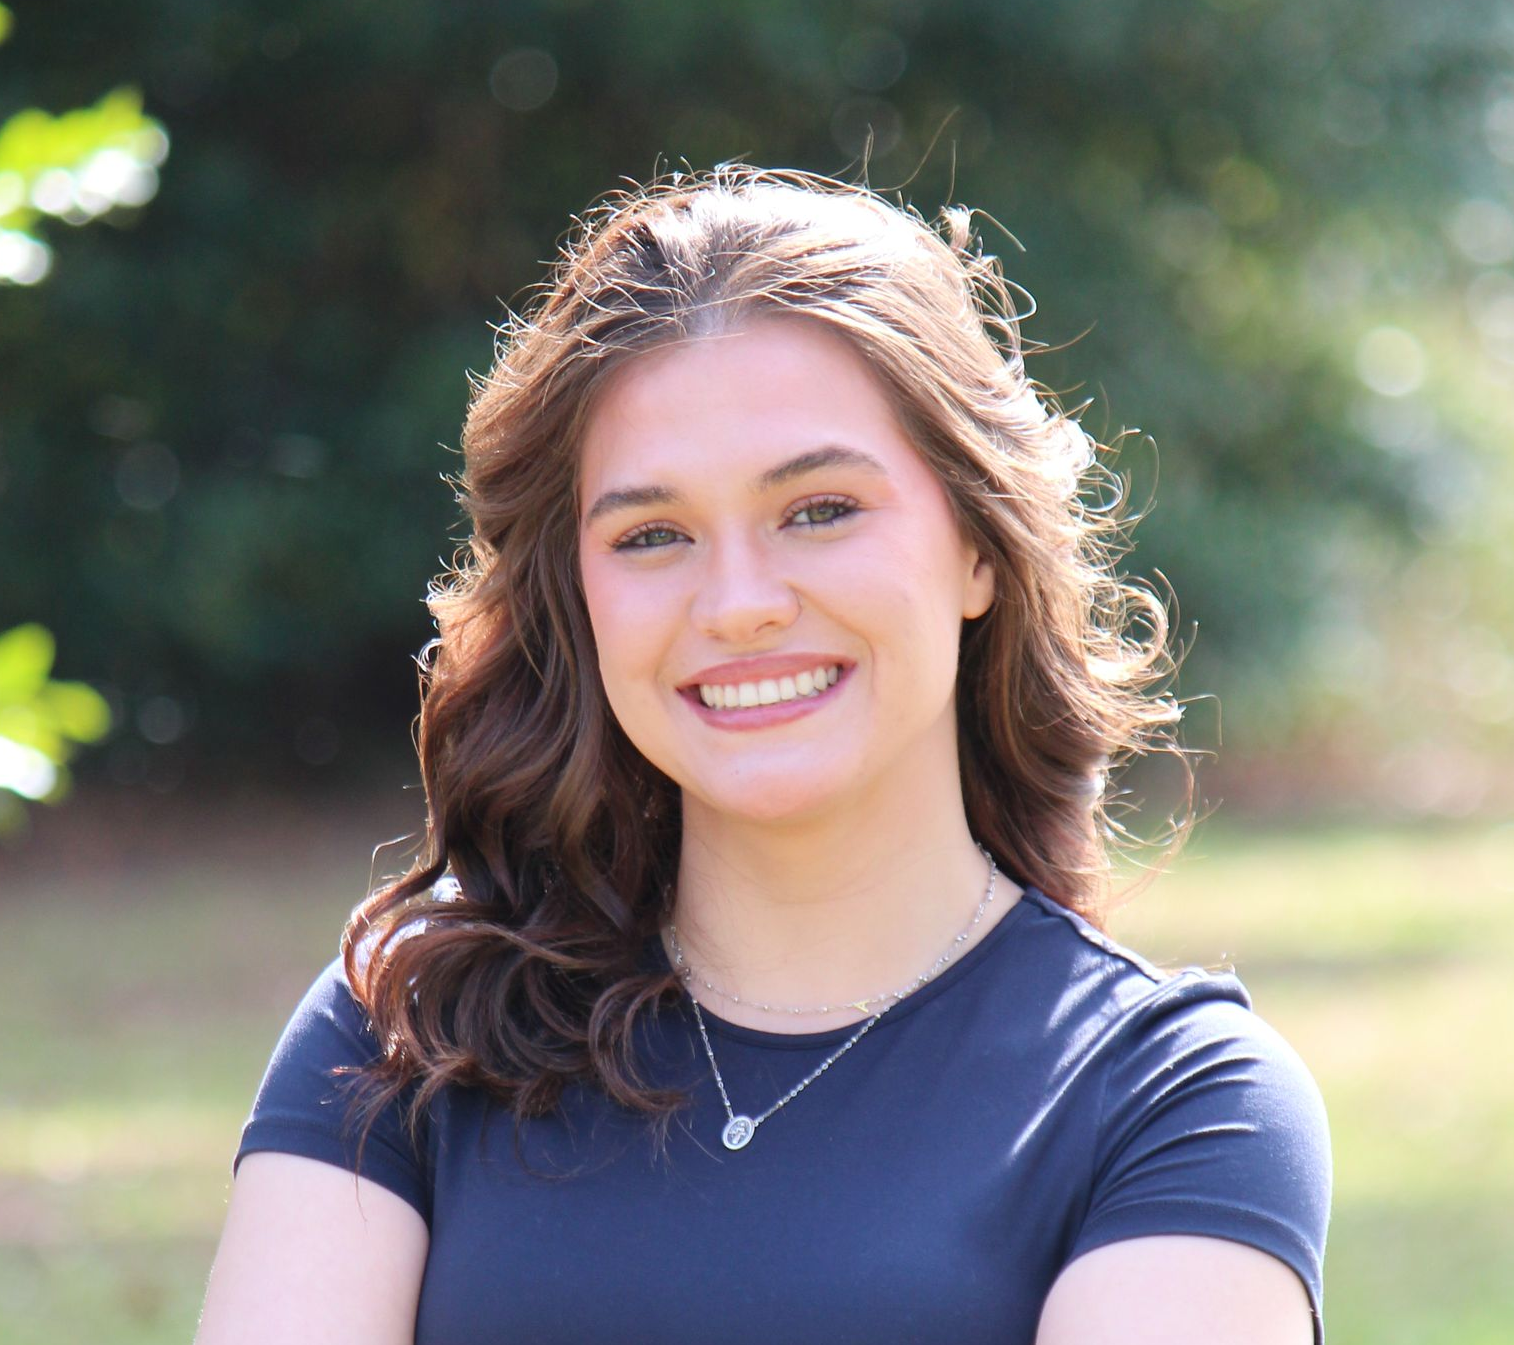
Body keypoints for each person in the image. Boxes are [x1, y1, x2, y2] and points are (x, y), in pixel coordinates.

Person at [195, 165, 1332, 1344]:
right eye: (652, 535)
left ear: (980, 550)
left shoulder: (1177, 1105)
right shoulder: (408, 1027)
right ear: (577, 600)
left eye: (820, 510)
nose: (737, 603)